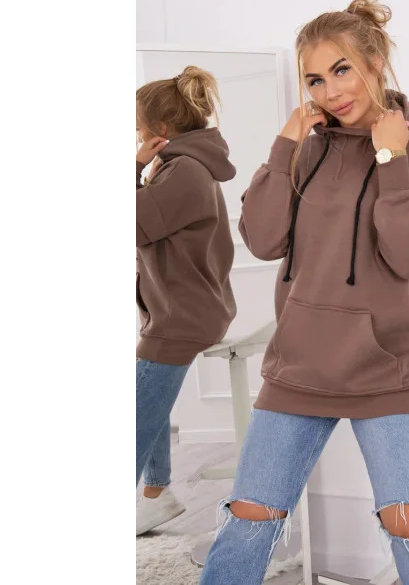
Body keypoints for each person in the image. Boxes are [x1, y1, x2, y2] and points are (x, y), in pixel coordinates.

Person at [200, 0, 409, 584]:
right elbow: (263, 239)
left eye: (341, 69)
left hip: (393, 372)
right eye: (315, 79)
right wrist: (284, 146)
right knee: (247, 523)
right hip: (300, 366)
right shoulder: (308, 148)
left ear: (375, 63)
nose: (329, 91)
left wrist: (391, 157)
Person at [135, 66, 237, 535]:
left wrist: (132, 168)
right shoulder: (183, 167)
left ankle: (154, 495)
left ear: (160, 129)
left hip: (182, 316)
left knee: (135, 415)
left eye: (138, 126)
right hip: (183, 311)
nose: (136, 134)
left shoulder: (185, 171)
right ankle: (156, 495)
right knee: (148, 404)